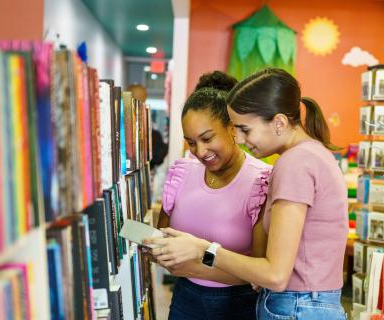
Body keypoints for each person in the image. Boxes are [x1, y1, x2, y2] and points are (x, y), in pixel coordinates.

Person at [146, 68, 349, 320]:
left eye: (245, 129)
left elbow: (274, 274)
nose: (240, 138)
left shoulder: (294, 163)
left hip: (297, 306)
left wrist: (202, 250)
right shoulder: (311, 155)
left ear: (279, 122)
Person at [154, 71, 272, 320]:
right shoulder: (182, 172)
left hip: (239, 305)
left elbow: (263, 272)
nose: (200, 151)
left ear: (231, 128)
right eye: (191, 142)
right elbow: (162, 237)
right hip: (185, 298)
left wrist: (197, 262)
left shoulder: (261, 181)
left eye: (207, 138)